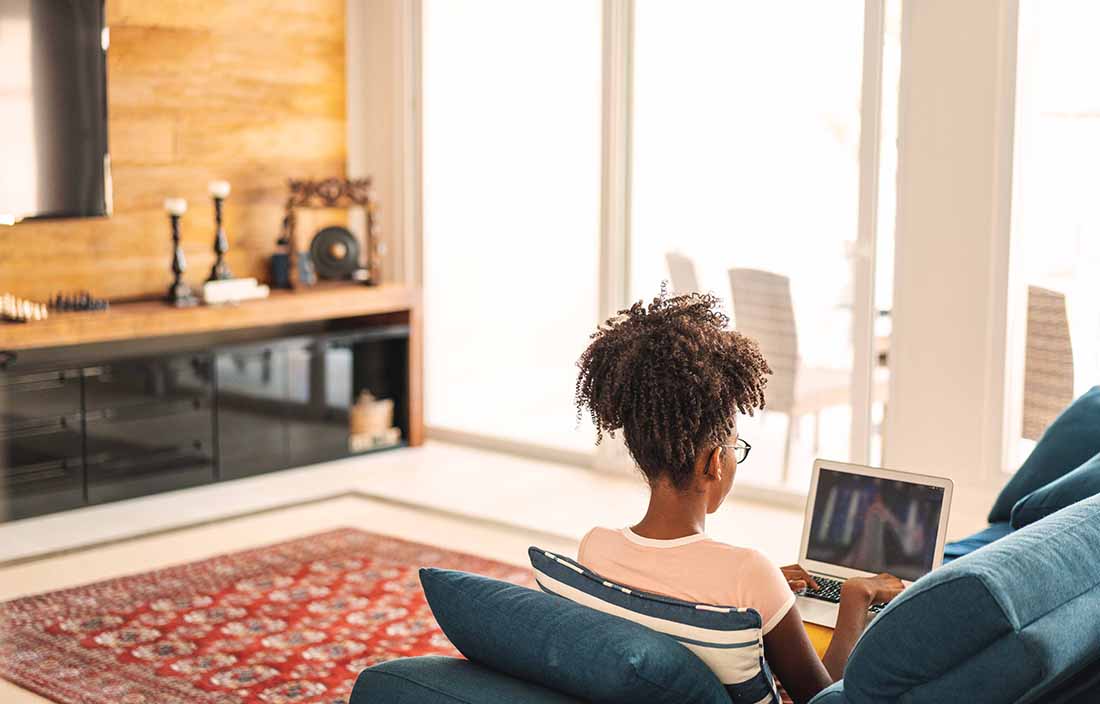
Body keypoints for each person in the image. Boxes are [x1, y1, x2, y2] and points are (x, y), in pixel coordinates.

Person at [574, 290, 905, 704]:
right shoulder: (747, 572)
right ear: (715, 462)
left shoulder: (595, 548)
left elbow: (667, 591)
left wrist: (758, 597)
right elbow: (824, 698)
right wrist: (856, 596)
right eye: (735, 447)